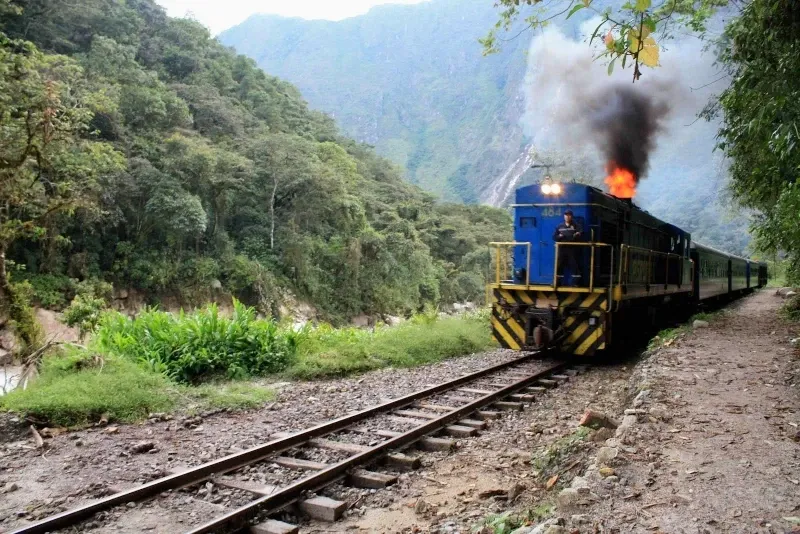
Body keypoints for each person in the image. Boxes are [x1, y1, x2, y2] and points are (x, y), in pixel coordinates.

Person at [552, 209, 584, 286]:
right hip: (562, 248)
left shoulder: (576, 226)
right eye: (566, 215)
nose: (567, 217)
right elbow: (554, 237)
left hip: (572, 248)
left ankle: (576, 282)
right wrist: (559, 236)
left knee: (574, 264)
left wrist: (577, 234)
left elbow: (581, 232)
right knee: (559, 265)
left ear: (571, 217)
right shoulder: (559, 226)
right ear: (564, 216)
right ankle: (558, 282)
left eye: (569, 215)